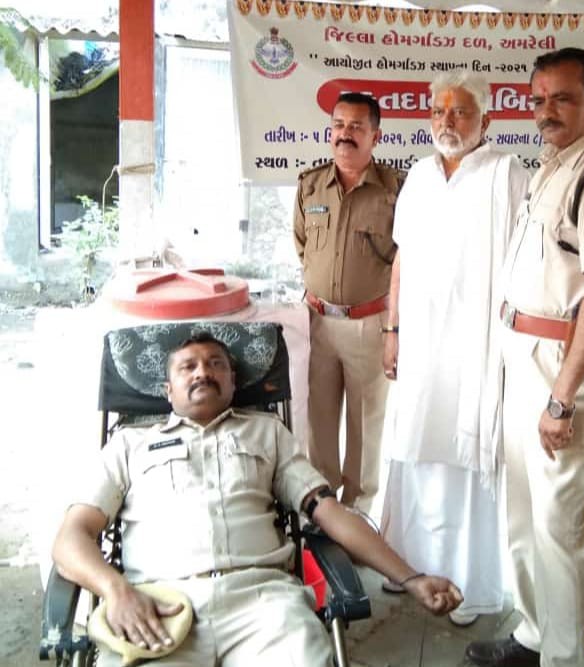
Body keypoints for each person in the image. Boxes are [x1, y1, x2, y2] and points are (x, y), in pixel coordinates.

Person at [51, 333, 462, 666]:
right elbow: (71, 537)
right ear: (167, 390)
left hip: (265, 606)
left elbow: (330, 512)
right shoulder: (129, 445)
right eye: (188, 366)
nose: (203, 372)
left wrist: (411, 579)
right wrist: (116, 591)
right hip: (160, 607)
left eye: (216, 364)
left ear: (233, 383)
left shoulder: (267, 433)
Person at [467, 48, 584, 667]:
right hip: (531, 349)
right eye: (538, 99)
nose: (545, 111)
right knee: (524, 506)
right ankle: (535, 635)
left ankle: (566, 658)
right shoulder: (558, 162)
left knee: (558, 517)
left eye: (563, 99)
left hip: (568, 358)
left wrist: (562, 398)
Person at [380, 70, 530, 627]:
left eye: (461, 111)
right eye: (438, 111)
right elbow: (401, 256)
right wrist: (393, 330)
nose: (447, 121)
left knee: (466, 455)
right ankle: (408, 568)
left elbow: (524, 263)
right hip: (420, 345)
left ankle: (468, 584)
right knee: (415, 445)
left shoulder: (506, 173)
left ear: (486, 120)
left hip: (477, 347)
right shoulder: (419, 176)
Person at [293, 92, 405, 514]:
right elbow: (303, 247)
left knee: (365, 428)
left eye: (357, 127)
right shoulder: (310, 185)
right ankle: (322, 513)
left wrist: (394, 329)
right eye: (339, 125)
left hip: (369, 325)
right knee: (318, 425)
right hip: (317, 323)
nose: (345, 135)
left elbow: (405, 262)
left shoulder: (396, 190)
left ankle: (358, 515)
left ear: (376, 135)